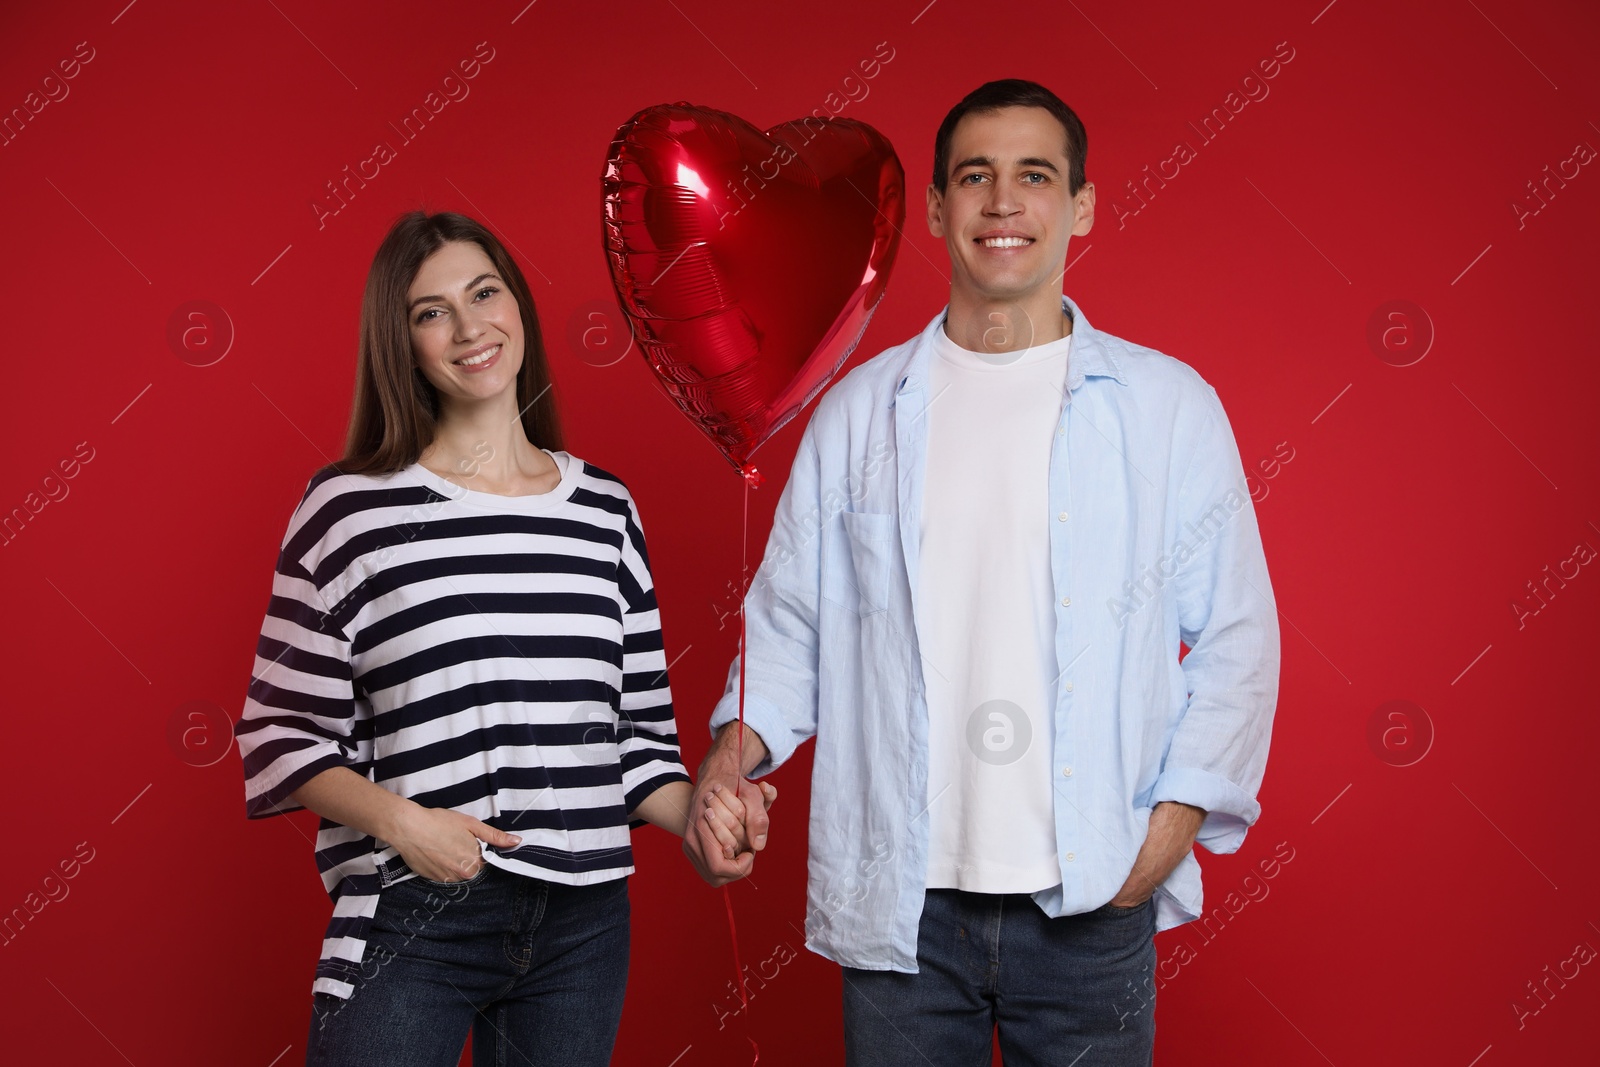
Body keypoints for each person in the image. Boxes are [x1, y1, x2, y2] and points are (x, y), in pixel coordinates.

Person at [682, 80, 1281, 1065]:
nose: (1002, 202)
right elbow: (789, 626)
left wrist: (1164, 836)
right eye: (975, 177)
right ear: (934, 208)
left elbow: (1235, 639)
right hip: (903, 914)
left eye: (1033, 176)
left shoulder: (1168, 409)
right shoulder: (858, 414)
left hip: (1091, 900)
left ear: (1080, 206)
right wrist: (726, 762)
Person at [234, 210, 772, 1067]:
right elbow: (279, 733)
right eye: (430, 310)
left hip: (583, 924)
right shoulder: (349, 510)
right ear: (402, 343)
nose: (469, 325)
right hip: (416, 908)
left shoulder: (605, 511)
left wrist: (703, 819)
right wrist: (406, 824)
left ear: (518, 305)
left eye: (485, 292)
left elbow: (633, 745)